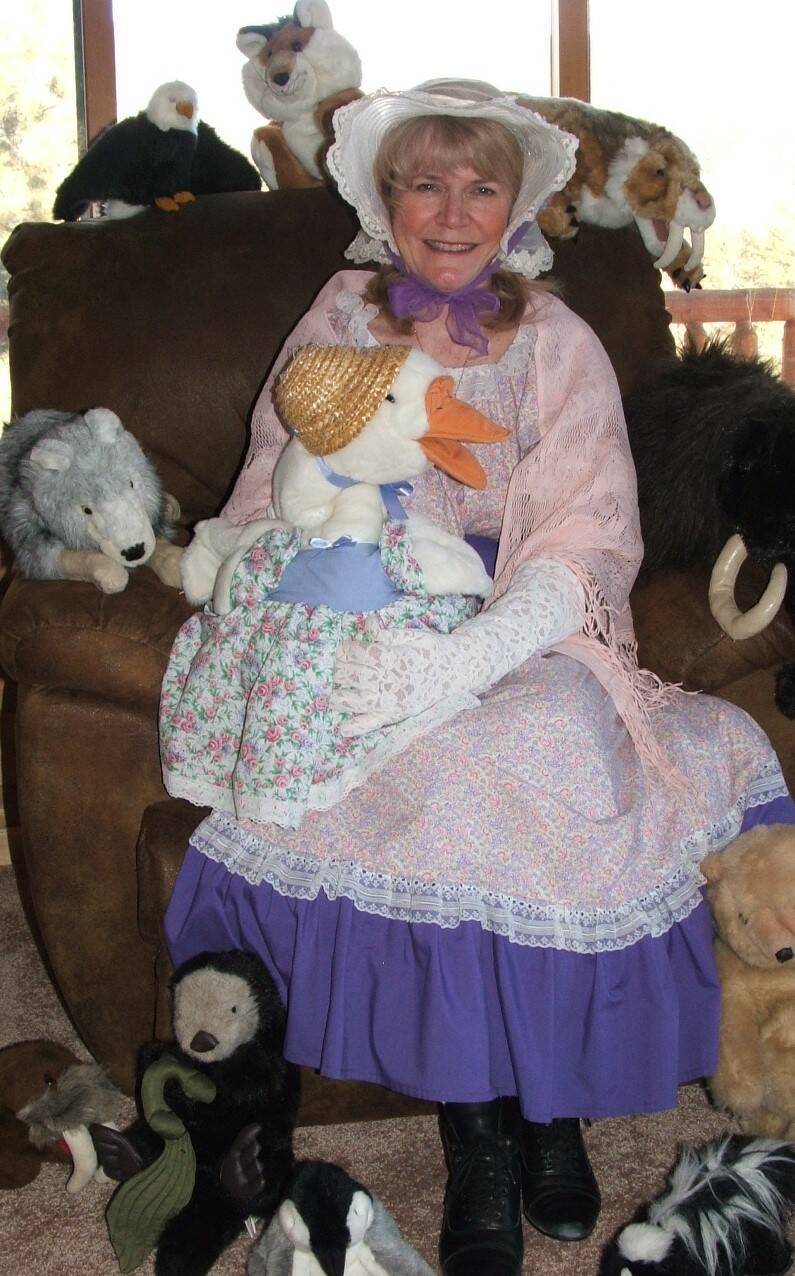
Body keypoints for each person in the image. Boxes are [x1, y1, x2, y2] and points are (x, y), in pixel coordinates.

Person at [162, 83, 795, 1276]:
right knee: (431, 758)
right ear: (385, 199)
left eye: (480, 184)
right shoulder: (341, 311)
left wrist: (473, 652)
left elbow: (590, 534)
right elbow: (270, 482)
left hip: (523, 622)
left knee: (544, 743)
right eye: (425, 182)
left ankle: (543, 1106)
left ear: (519, 205)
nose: (452, 209)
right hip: (365, 603)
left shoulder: (557, 339)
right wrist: (263, 588)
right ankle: (480, 1136)